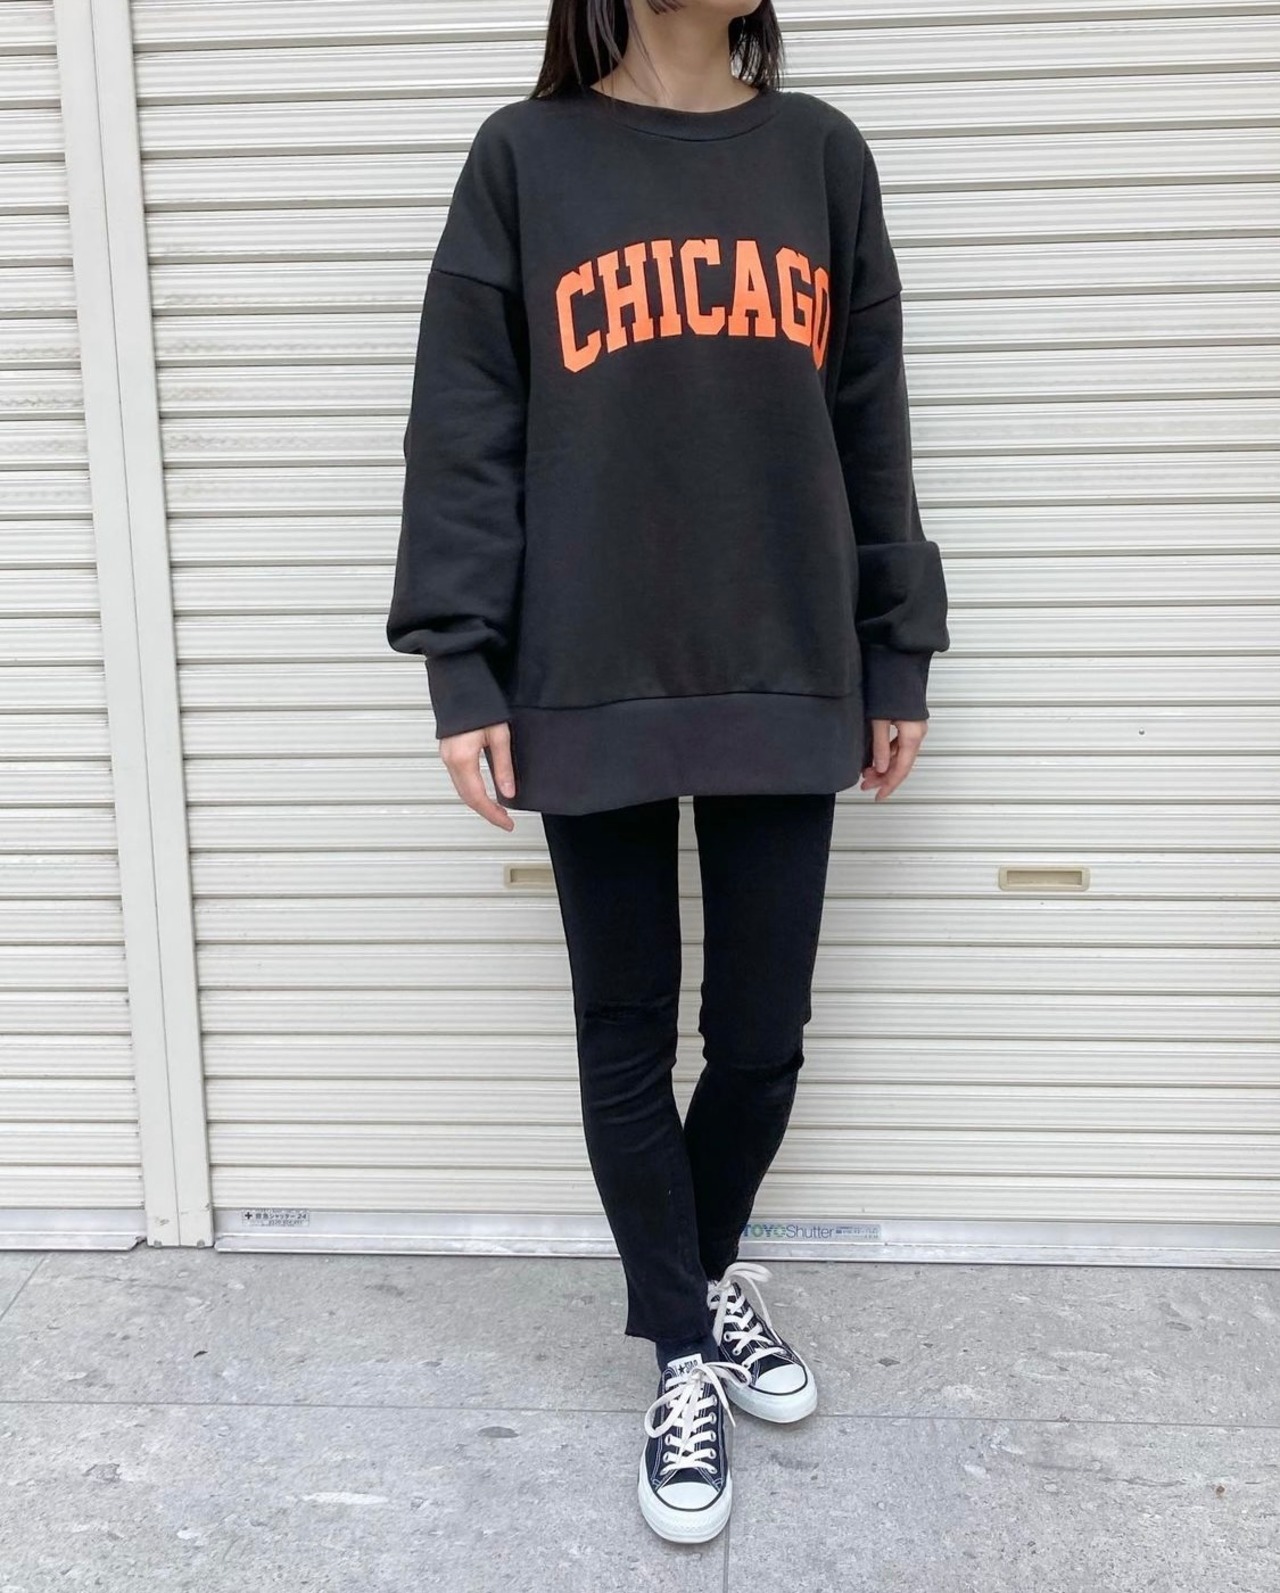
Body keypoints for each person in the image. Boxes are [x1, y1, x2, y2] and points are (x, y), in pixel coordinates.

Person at [386, 0, 950, 1546]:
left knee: (761, 1038)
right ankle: (685, 1347)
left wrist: (898, 649)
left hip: (786, 652)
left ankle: (690, 1276)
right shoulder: (525, 160)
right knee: (625, 1027)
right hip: (589, 665)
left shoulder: (819, 156)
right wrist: (460, 662)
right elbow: (465, 424)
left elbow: (873, 420)